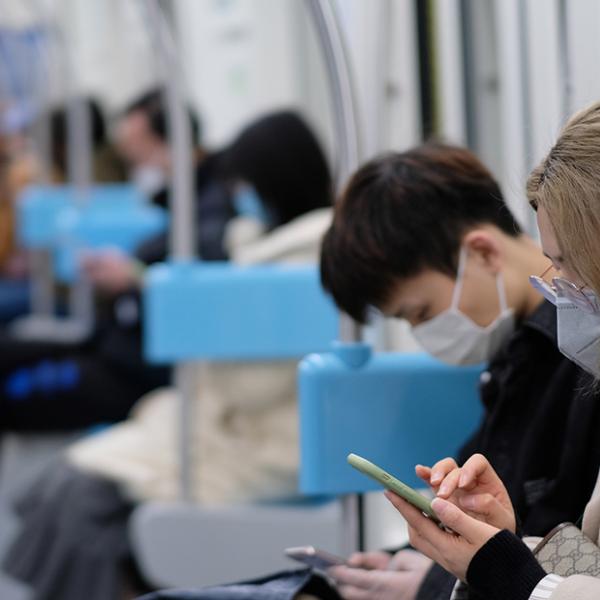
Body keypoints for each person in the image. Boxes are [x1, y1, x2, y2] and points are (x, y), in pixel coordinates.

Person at [2, 110, 334, 600]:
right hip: (213, 416)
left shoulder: (303, 259)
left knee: (81, 495)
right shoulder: (251, 248)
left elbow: (253, 385)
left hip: (264, 440)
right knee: (64, 483)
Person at [318, 143, 600, 599]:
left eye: (423, 312)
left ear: (484, 253)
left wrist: (441, 581)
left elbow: (562, 542)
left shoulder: (578, 357)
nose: (559, 286)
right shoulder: (514, 362)